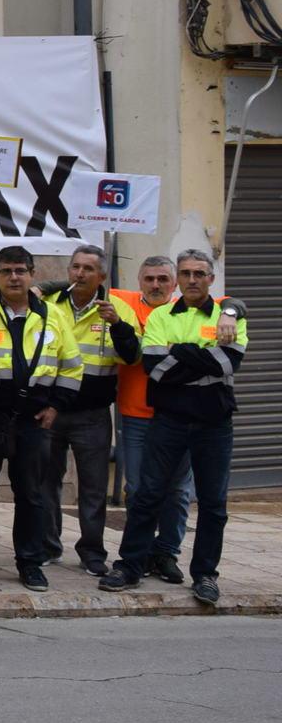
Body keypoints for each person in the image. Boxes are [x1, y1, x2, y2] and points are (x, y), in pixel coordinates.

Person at [99, 250, 245, 607]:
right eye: (186, 274)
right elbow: (153, 367)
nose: (192, 279)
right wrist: (202, 355)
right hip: (169, 420)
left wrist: (179, 352)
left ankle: (206, 575)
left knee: (212, 504)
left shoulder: (229, 317)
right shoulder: (162, 315)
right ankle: (129, 566)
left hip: (214, 424)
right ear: (178, 279)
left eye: (199, 273)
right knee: (147, 494)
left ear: (211, 279)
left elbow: (229, 363)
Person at [0, 245, 82, 591]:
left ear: (32, 274)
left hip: (33, 418)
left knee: (31, 494)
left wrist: (57, 406)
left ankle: (30, 562)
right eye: (6, 271)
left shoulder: (52, 315)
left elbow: (72, 366)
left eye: (20, 271)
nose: (14, 277)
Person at [37, 244, 141, 575]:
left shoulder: (118, 308)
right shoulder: (50, 304)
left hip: (93, 415)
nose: (80, 274)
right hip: (51, 409)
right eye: (75, 267)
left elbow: (132, 356)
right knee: (45, 481)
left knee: (93, 487)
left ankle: (92, 551)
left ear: (102, 276)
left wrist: (118, 325)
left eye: (88, 269)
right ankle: (48, 545)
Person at [112, 255, 194, 578]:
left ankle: (167, 553)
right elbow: (85, 283)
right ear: (139, 282)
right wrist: (42, 289)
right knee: (137, 489)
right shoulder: (124, 303)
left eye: (163, 279)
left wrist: (231, 312)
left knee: (177, 490)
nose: (156, 284)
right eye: (149, 279)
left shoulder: (189, 310)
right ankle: (141, 552)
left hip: (179, 415)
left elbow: (229, 301)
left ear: (175, 284)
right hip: (136, 416)